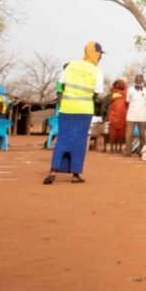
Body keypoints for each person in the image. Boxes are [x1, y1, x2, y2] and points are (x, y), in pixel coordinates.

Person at [44, 42, 105, 184]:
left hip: (67, 108)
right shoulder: (96, 70)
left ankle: (53, 170)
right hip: (84, 110)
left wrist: (62, 103)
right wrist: (87, 100)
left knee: (63, 139)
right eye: (100, 53)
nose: (101, 56)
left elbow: (59, 87)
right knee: (79, 142)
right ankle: (76, 174)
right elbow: (96, 94)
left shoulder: (71, 65)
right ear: (94, 53)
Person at [125, 74, 146, 155]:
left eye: (140, 79)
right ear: (135, 80)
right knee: (129, 135)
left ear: (142, 80)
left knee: (142, 135)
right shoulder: (129, 90)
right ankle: (128, 152)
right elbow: (127, 101)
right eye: (137, 79)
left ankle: (141, 152)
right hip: (131, 115)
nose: (138, 81)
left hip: (142, 115)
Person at [105, 79, 128, 153]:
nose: (117, 85)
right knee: (112, 134)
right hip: (113, 115)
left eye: (119, 84)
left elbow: (127, 104)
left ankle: (119, 148)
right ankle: (112, 148)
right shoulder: (111, 94)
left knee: (121, 135)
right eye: (116, 84)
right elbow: (109, 105)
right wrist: (107, 117)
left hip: (122, 115)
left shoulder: (125, 94)